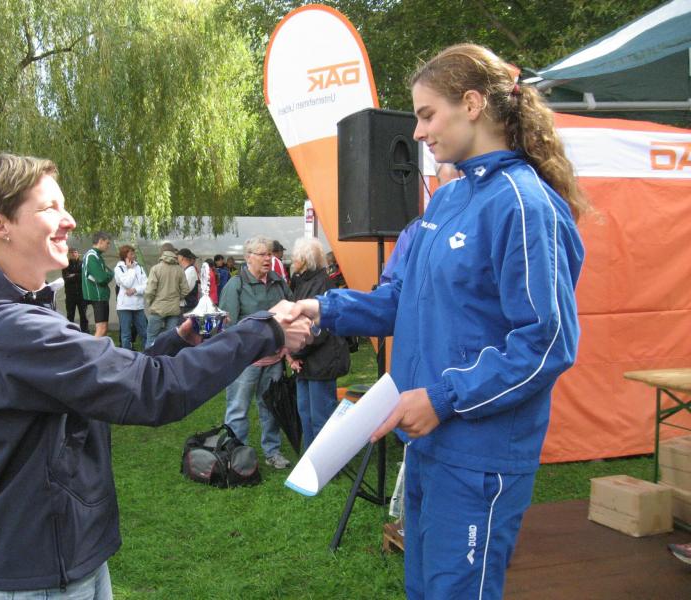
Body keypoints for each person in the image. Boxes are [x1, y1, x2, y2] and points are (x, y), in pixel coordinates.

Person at [0, 153, 311, 598]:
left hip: (68, 550)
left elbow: (108, 380)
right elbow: (154, 390)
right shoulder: (15, 328)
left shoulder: (22, 313)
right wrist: (265, 330)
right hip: (46, 565)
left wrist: (175, 340)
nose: (69, 220)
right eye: (49, 207)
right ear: (0, 225)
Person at [288, 44, 587, 599]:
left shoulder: (524, 205)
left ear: (472, 104)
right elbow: (402, 299)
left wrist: (445, 398)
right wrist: (324, 308)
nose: (418, 132)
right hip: (426, 443)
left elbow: (546, 345)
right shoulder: (448, 202)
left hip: (478, 456)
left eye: (427, 115)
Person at [219, 236, 294, 469]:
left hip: (274, 359)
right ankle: (236, 455)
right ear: (248, 257)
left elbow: (292, 313)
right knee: (238, 409)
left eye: (269, 254)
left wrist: (287, 348)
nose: (267, 259)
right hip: (245, 362)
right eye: (262, 254)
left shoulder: (279, 283)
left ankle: (272, 452)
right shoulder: (236, 285)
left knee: (271, 407)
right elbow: (227, 326)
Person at [286, 238, 350, 450]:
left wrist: (296, 353)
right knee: (305, 414)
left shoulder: (322, 283)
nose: (293, 261)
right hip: (306, 359)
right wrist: (294, 355)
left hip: (322, 360)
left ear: (305, 260)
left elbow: (319, 328)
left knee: (321, 418)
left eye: (295, 257)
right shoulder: (302, 282)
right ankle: (309, 460)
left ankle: (326, 462)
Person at [144, 242, 189, 349]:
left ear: (162, 253)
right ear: (173, 253)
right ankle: (167, 358)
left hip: (157, 308)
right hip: (174, 309)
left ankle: (149, 357)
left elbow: (150, 291)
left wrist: (150, 302)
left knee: (151, 337)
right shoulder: (179, 270)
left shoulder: (155, 269)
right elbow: (185, 290)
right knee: (170, 338)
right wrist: (177, 298)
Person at [113, 244, 148, 350]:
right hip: (124, 306)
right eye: (131, 254)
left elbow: (146, 285)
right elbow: (127, 283)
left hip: (138, 306)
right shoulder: (118, 268)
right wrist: (130, 269)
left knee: (145, 333)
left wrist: (135, 290)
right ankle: (127, 357)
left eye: (134, 253)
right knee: (126, 335)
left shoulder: (139, 267)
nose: (134, 255)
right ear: (125, 256)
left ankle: (148, 355)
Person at [82, 231, 114, 337]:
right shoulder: (92, 256)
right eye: (107, 243)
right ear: (100, 241)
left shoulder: (96, 255)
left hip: (101, 296)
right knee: (101, 329)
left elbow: (104, 274)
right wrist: (111, 274)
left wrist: (107, 274)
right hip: (98, 295)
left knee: (104, 328)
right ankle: (92, 348)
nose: (108, 246)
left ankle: (99, 348)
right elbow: (102, 278)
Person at [61, 247, 89, 333]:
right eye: (72, 252)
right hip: (70, 295)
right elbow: (66, 278)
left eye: (75, 252)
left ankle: (85, 332)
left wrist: (73, 275)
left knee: (83, 315)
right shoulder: (65, 265)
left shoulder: (83, 264)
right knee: (70, 315)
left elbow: (84, 277)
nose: (73, 254)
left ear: (78, 254)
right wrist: (78, 275)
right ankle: (70, 333)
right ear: (69, 254)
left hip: (81, 294)